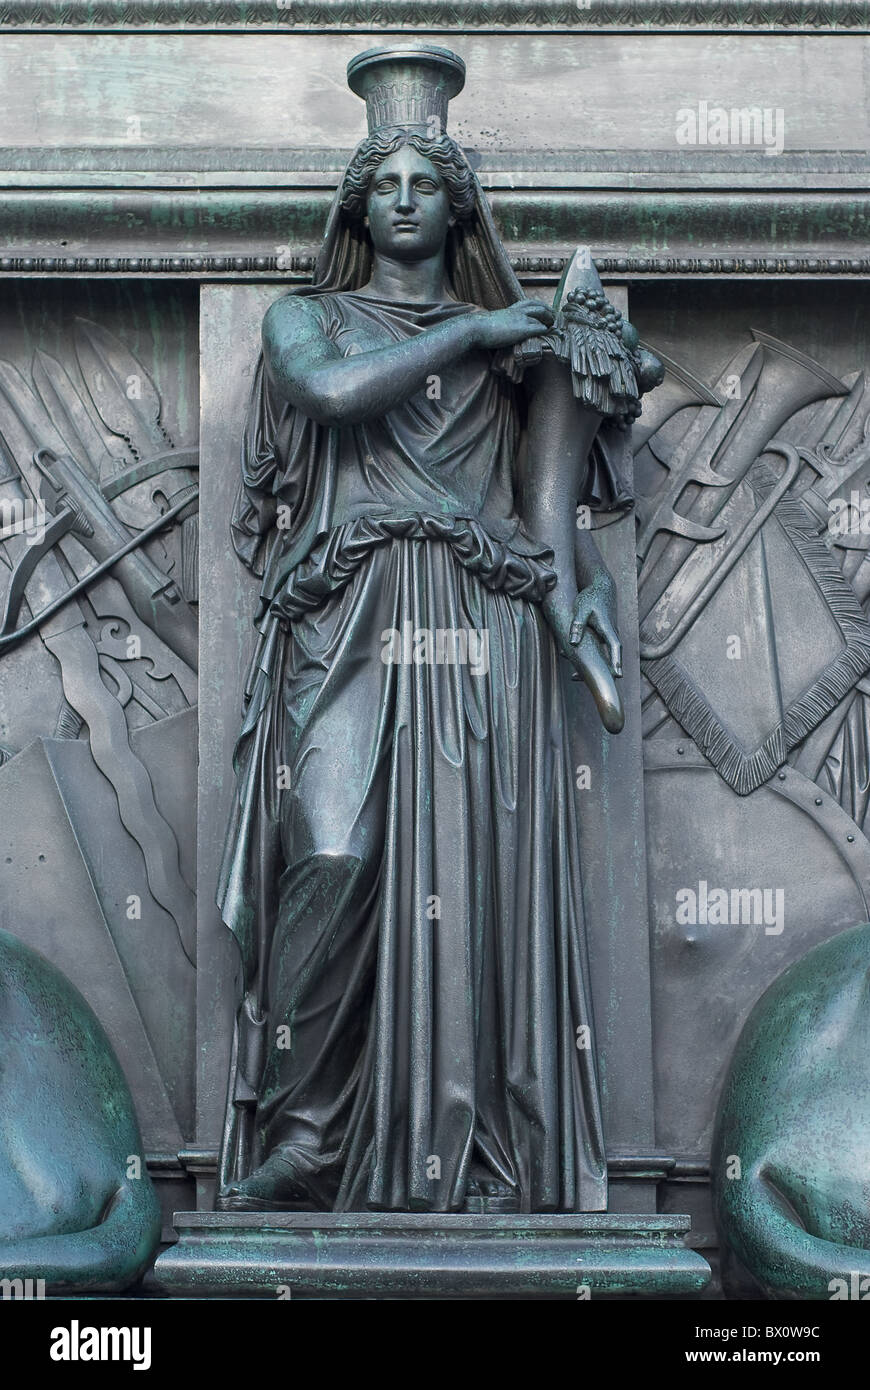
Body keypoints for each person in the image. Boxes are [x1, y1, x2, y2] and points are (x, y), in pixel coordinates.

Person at [217, 46, 626, 1215]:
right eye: (384, 181)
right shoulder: (309, 319)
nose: (403, 197)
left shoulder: (512, 350)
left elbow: (545, 484)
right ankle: (307, 1125)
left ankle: (472, 1139)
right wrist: (479, 329)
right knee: (330, 858)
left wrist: (576, 581)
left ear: (458, 205)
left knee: (469, 881)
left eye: (426, 182)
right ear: (358, 203)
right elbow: (336, 396)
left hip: (474, 617)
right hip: (346, 613)